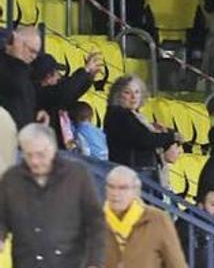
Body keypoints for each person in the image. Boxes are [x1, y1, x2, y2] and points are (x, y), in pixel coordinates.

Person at [0, 123, 107, 267]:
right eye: (28, 155)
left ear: (53, 149)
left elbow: (95, 222)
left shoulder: (77, 175)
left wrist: (95, 262)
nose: (35, 161)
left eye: (40, 154)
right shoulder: (12, 179)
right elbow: (2, 218)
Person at [102, 165, 188, 268]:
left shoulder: (158, 219)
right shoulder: (95, 220)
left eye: (123, 188)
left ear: (136, 191)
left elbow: (176, 263)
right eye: (111, 187)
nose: (116, 193)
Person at [105, 75, 179, 178]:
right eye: (127, 92)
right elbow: (143, 139)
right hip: (131, 172)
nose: (133, 97)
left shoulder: (135, 116)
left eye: (137, 92)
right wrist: (171, 136)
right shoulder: (119, 115)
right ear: (117, 95)